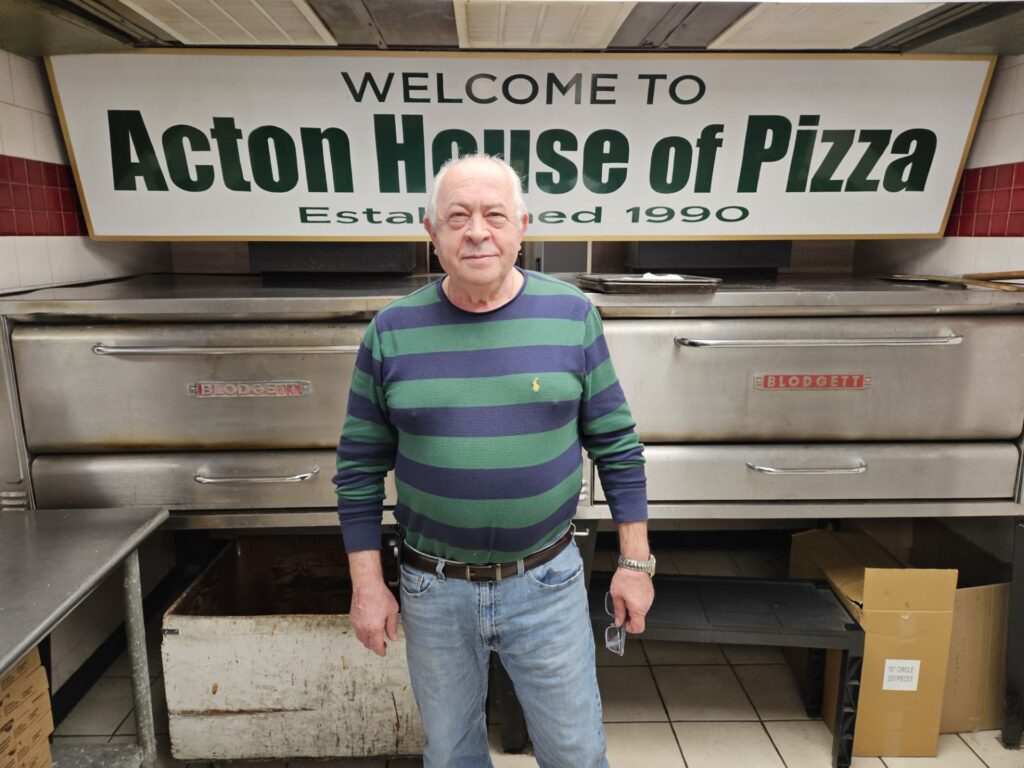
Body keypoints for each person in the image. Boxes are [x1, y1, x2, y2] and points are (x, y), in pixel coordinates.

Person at [333, 154, 653, 768]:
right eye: (457, 217)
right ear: (432, 232)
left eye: (493, 215)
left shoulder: (572, 316)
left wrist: (635, 562)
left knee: (576, 752)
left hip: (548, 581)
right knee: (451, 754)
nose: (476, 231)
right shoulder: (390, 331)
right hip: (431, 587)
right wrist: (367, 585)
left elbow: (617, 445)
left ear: (522, 226)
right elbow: (358, 468)